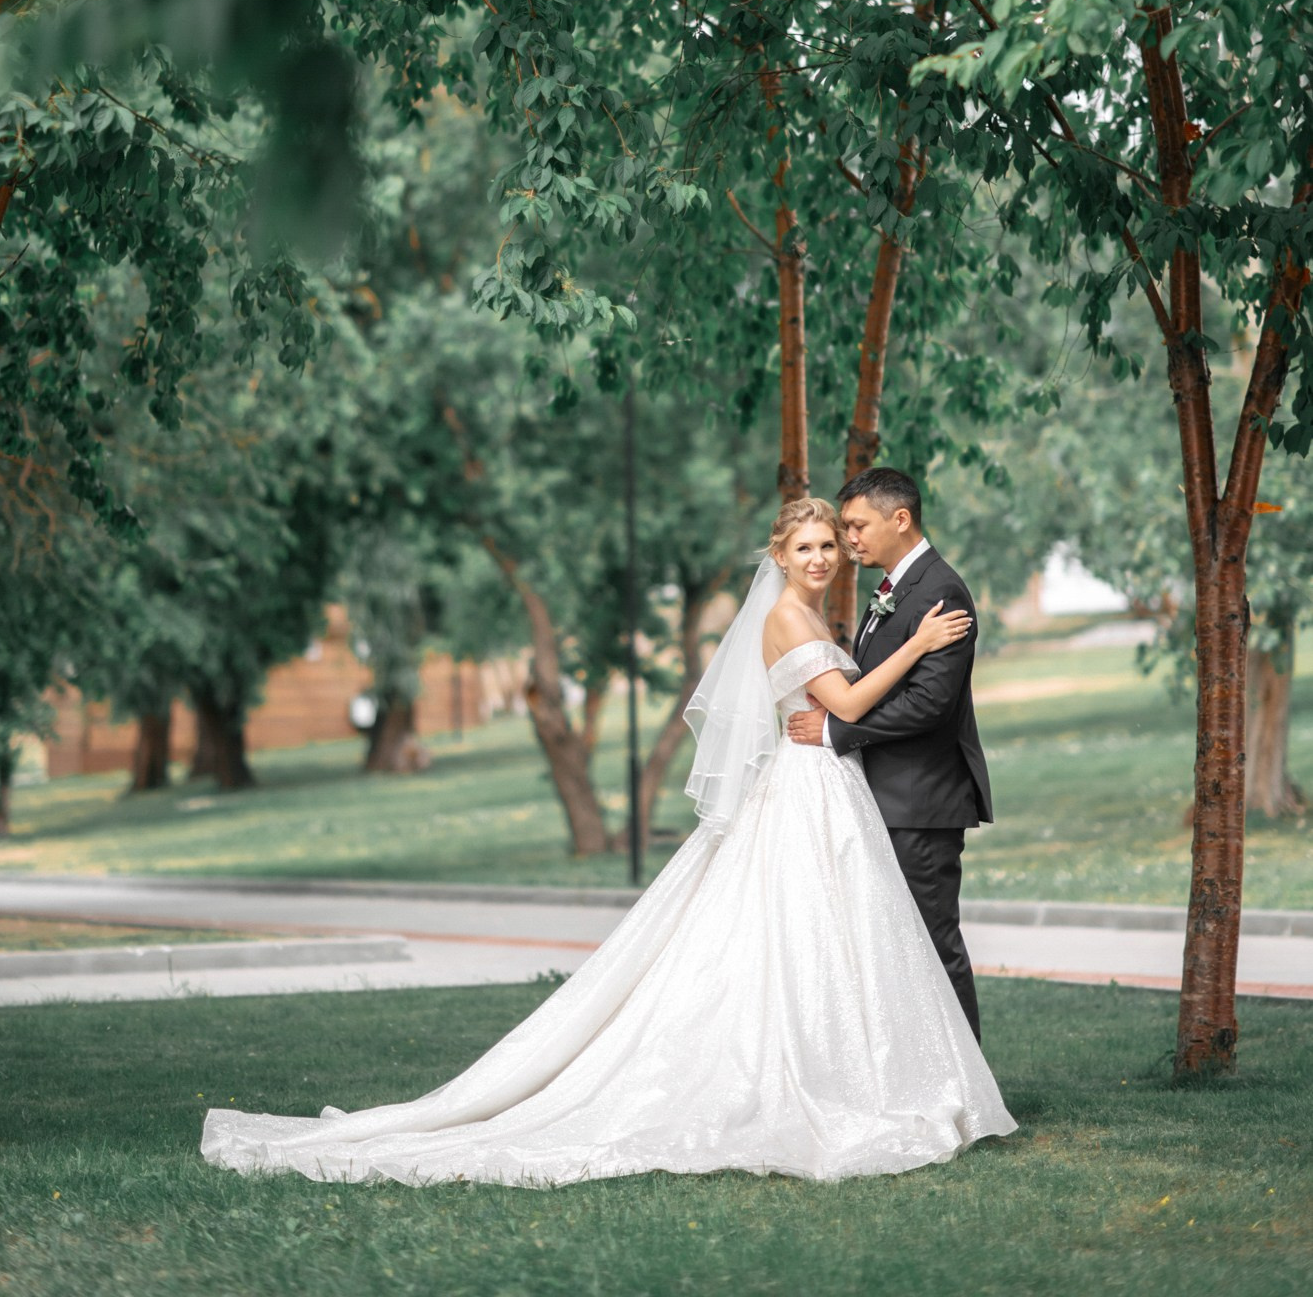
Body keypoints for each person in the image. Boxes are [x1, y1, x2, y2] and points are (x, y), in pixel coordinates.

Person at [201, 497, 1015, 1188]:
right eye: (804, 545)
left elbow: (832, 710)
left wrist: (859, 697)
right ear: (779, 554)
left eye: (829, 544)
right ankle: (807, 1077)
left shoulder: (815, 612)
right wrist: (913, 646)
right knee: (792, 934)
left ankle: (865, 1069)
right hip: (807, 789)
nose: (821, 555)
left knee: (838, 938)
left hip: (826, 788)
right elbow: (841, 699)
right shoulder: (782, 617)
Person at [786, 467, 991, 1040]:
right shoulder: (899, 587)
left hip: (921, 803)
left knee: (931, 944)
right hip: (887, 798)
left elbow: (930, 705)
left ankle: (965, 1090)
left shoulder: (939, 590)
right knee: (894, 952)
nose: (849, 538)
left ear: (900, 519)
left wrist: (835, 732)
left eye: (856, 525)